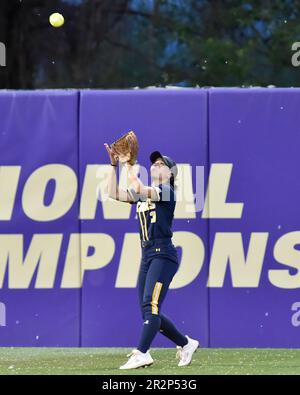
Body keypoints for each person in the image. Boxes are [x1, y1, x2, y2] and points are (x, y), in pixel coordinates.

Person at [104, 143, 199, 370]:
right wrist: (114, 164)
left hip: (163, 254)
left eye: (161, 164)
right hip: (147, 255)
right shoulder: (145, 194)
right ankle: (186, 343)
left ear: (171, 173)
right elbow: (112, 192)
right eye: (154, 164)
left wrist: (129, 164)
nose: (156, 166)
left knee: (150, 305)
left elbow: (138, 185)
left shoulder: (167, 191)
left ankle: (142, 353)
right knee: (148, 309)